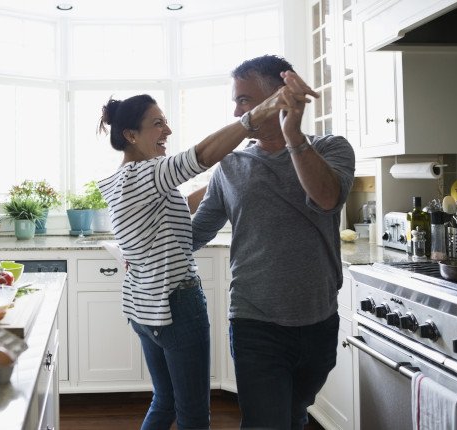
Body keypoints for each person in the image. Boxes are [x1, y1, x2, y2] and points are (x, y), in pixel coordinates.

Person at [96, 80, 306, 430]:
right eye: (158, 124)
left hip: (144, 307)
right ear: (131, 135)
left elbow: (180, 202)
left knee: (165, 401)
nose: (168, 130)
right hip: (176, 305)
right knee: (193, 415)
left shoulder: (125, 179)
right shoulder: (148, 173)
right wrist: (257, 115)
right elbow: (203, 155)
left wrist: (227, 177)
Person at [192, 54, 356, 429]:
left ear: (278, 97)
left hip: (319, 320)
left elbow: (327, 198)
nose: (236, 110)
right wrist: (144, 250)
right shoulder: (231, 166)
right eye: (236, 100)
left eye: (244, 100)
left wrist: (293, 135)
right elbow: (196, 233)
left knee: (295, 414)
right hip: (255, 322)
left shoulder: (332, 148)